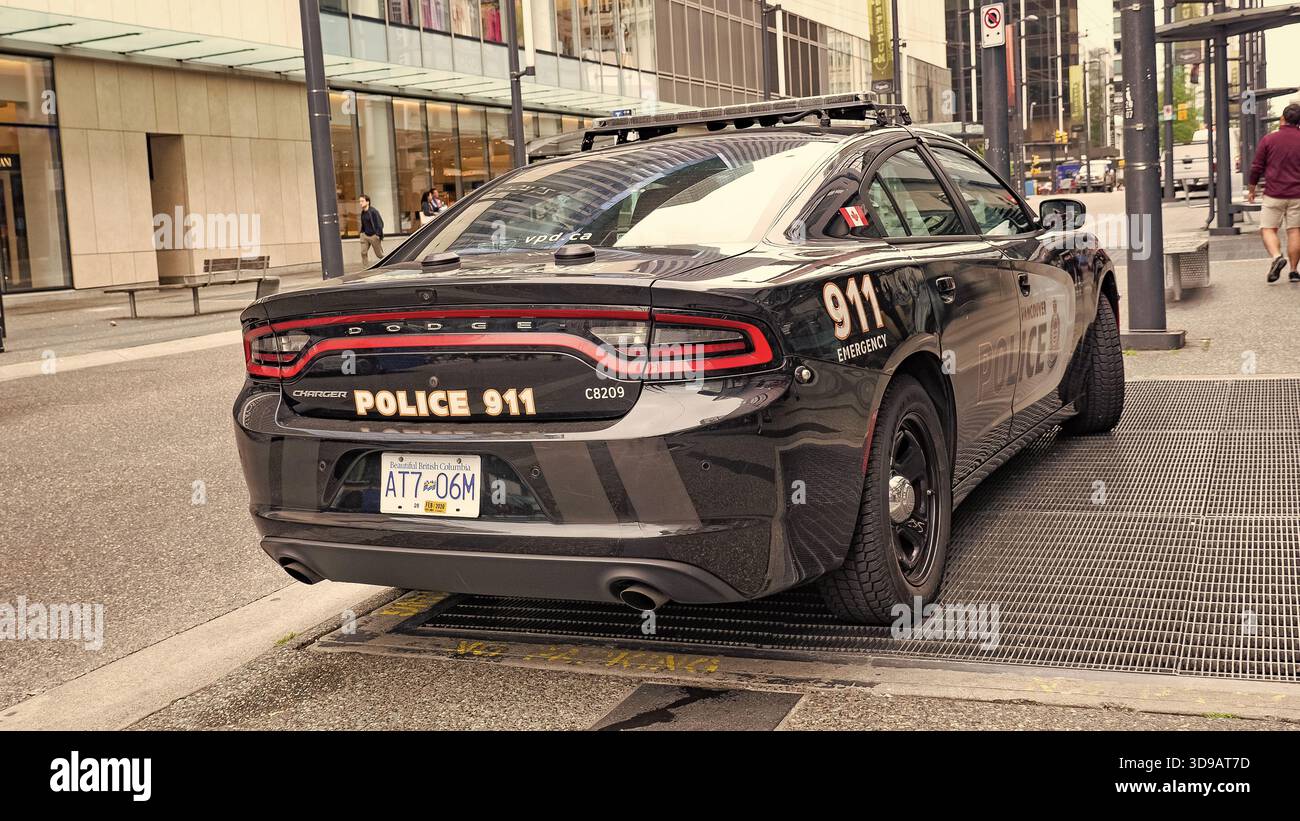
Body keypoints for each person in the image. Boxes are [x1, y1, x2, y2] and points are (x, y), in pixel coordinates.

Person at [1247, 102, 1300, 283]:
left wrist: (1252, 188)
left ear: (1282, 119)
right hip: (1298, 195)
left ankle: (1277, 257)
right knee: (1294, 231)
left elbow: (1256, 167)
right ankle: (1293, 272)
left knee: (1268, 229)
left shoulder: (1269, 139)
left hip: (1274, 194)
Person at [358, 194, 384, 265]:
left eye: (362, 201)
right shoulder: (363, 212)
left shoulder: (373, 211)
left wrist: (378, 235)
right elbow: (363, 224)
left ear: (367, 202)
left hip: (373, 236)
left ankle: (389, 264)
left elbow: (380, 223)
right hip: (365, 235)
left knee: (379, 255)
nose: (360, 203)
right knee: (363, 253)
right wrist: (361, 233)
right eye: (360, 201)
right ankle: (365, 269)